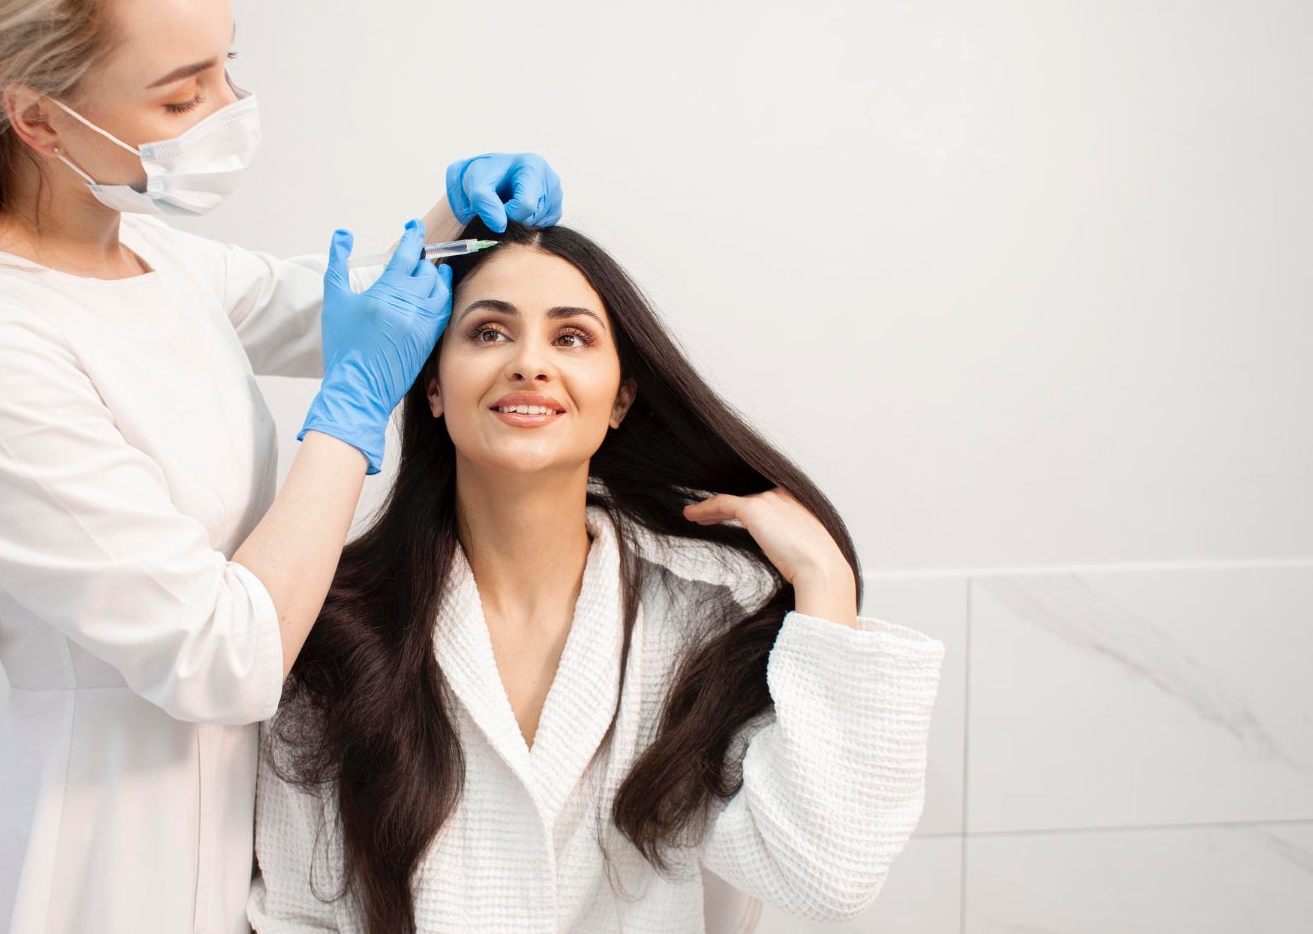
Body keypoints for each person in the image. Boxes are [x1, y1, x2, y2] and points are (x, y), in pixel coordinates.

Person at [0, 0, 561, 932]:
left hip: (252, 825)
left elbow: (312, 305)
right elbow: (223, 654)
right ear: (37, 118)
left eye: (228, 63)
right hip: (110, 861)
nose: (227, 110)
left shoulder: (141, 251)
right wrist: (352, 412)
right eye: (181, 98)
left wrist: (452, 227)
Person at [250, 220, 947, 933]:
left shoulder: (701, 629)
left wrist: (825, 579)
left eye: (571, 338)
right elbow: (300, 915)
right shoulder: (335, 625)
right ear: (432, 385)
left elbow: (825, 875)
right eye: (489, 333)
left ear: (620, 399)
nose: (529, 364)